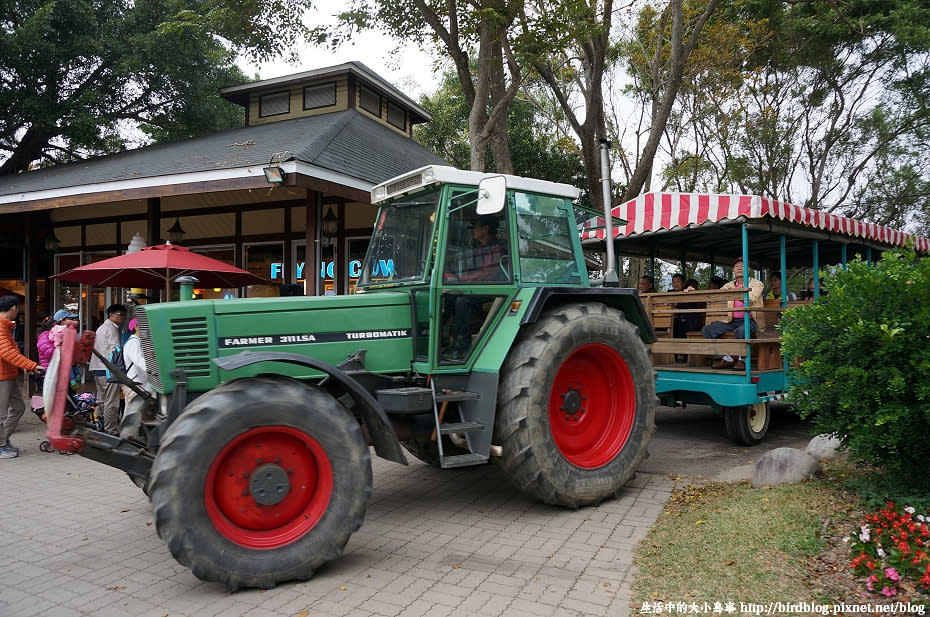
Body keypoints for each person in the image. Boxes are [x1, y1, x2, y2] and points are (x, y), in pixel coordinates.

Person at [445, 214, 506, 360]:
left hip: (492, 289)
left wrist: (459, 281)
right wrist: (454, 280)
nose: (472, 230)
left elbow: (486, 276)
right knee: (446, 299)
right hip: (475, 288)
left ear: (485, 228)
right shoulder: (480, 250)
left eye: (475, 226)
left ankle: (462, 346)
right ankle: (446, 341)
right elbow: (468, 272)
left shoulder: (497, 250)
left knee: (462, 301)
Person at [0, 295, 45, 459]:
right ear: (13, 308)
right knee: (1, 414)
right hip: (2, 378)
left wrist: (24, 367)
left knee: (19, 408)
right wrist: (30, 365)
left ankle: (3, 441)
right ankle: (1, 446)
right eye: (18, 309)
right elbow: (7, 353)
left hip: (8, 376)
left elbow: (12, 352)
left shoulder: (6, 327)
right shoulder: (1, 327)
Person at [701, 257, 764, 370]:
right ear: (734, 270)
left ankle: (742, 360)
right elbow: (717, 295)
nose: (739, 267)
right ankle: (726, 357)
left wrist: (733, 292)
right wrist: (691, 290)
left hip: (751, 320)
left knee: (742, 330)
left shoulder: (757, 284)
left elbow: (752, 298)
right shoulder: (730, 284)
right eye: (736, 266)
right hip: (732, 321)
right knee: (707, 329)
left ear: (748, 269)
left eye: (742, 265)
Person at [88, 304, 126, 434]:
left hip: (98, 369)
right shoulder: (111, 329)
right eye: (120, 314)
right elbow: (116, 351)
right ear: (111, 315)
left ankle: (101, 425)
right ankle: (111, 429)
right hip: (108, 370)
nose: (123, 317)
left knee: (103, 400)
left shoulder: (102, 328)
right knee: (112, 401)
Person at [121, 318, 148, 406]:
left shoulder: (137, 341)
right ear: (136, 327)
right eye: (145, 326)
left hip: (135, 382)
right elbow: (138, 360)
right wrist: (151, 370)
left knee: (132, 411)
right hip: (134, 383)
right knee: (133, 411)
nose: (147, 328)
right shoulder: (134, 342)